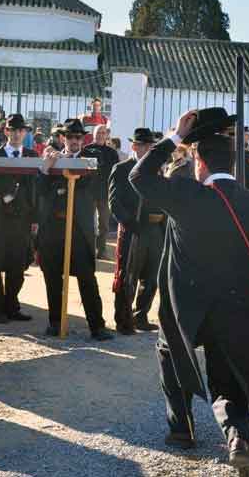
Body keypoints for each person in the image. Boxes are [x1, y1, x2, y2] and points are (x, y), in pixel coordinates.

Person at [130, 108, 249, 475]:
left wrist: (174, 136)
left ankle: (182, 429)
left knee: (170, 352)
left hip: (186, 305)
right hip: (236, 305)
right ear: (234, 165)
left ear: (199, 162)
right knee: (227, 378)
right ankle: (238, 438)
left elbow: (138, 175)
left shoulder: (184, 194)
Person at [37, 119, 113, 340]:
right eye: (70, 137)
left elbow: (88, 186)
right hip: (54, 228)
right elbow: (40, 190)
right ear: (63, 138)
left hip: (79, 229)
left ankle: (97, 326)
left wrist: (59, 184)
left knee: (87, 277)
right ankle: (55, 322)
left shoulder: (90, 161)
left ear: (83, 139)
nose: (74, 141)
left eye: (78, 137)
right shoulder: (52, 160)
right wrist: (46, 168)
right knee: (52, 277)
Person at [108, 127, 163, 334]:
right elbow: (114, 202)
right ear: (134, 146)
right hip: (133, 229)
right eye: (144, 145)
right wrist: (130, 223)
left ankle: (141, 315)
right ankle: (123, 319)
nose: (148, 149)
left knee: (151, 277)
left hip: (155, 229)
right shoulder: (122, 168)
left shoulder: (156, 170)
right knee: (127, 276)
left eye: (150, 146)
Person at [0, 114, 37, 322]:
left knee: (18, 266)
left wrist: (34, 218)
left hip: (21, 220)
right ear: (6, 132)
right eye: (12, 130)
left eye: (20, 130)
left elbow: (36, 188)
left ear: (25, 133)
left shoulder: (32, 155)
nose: (16, 134)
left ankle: (11, 305)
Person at [82, 124, 120, 257]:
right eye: (98, 132)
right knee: (88, 223)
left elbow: (116, 174)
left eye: (103, 133)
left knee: (104, 224)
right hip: (89, 192)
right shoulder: (85, 150)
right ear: (93, 134)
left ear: (107, 135)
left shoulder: (112, 153)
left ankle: (102, 250)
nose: (100, 135)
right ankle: (89, 250)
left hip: (105, 192)